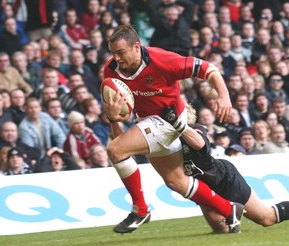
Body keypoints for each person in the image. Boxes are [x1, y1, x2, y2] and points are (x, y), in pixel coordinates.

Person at [103, 25, 241, 234]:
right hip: (147, 121)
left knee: (115, 150)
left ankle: (140, 210)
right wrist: (113, 118)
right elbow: (122, 117)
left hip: (169, 119)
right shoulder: (112, 71)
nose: (117, 59)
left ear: (136, 47)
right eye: (113, 53)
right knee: (176, 182)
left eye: (121, 52)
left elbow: (208, 68)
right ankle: (229, 209)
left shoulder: (163, 60)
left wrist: (223, 95)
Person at [160, 105, 289, 233]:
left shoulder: (195, 129)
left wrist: (178, 124)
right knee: (221, 230)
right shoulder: (164, 140)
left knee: (266, 218)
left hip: (223, 180)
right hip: (203, 188)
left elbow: (199, 143)